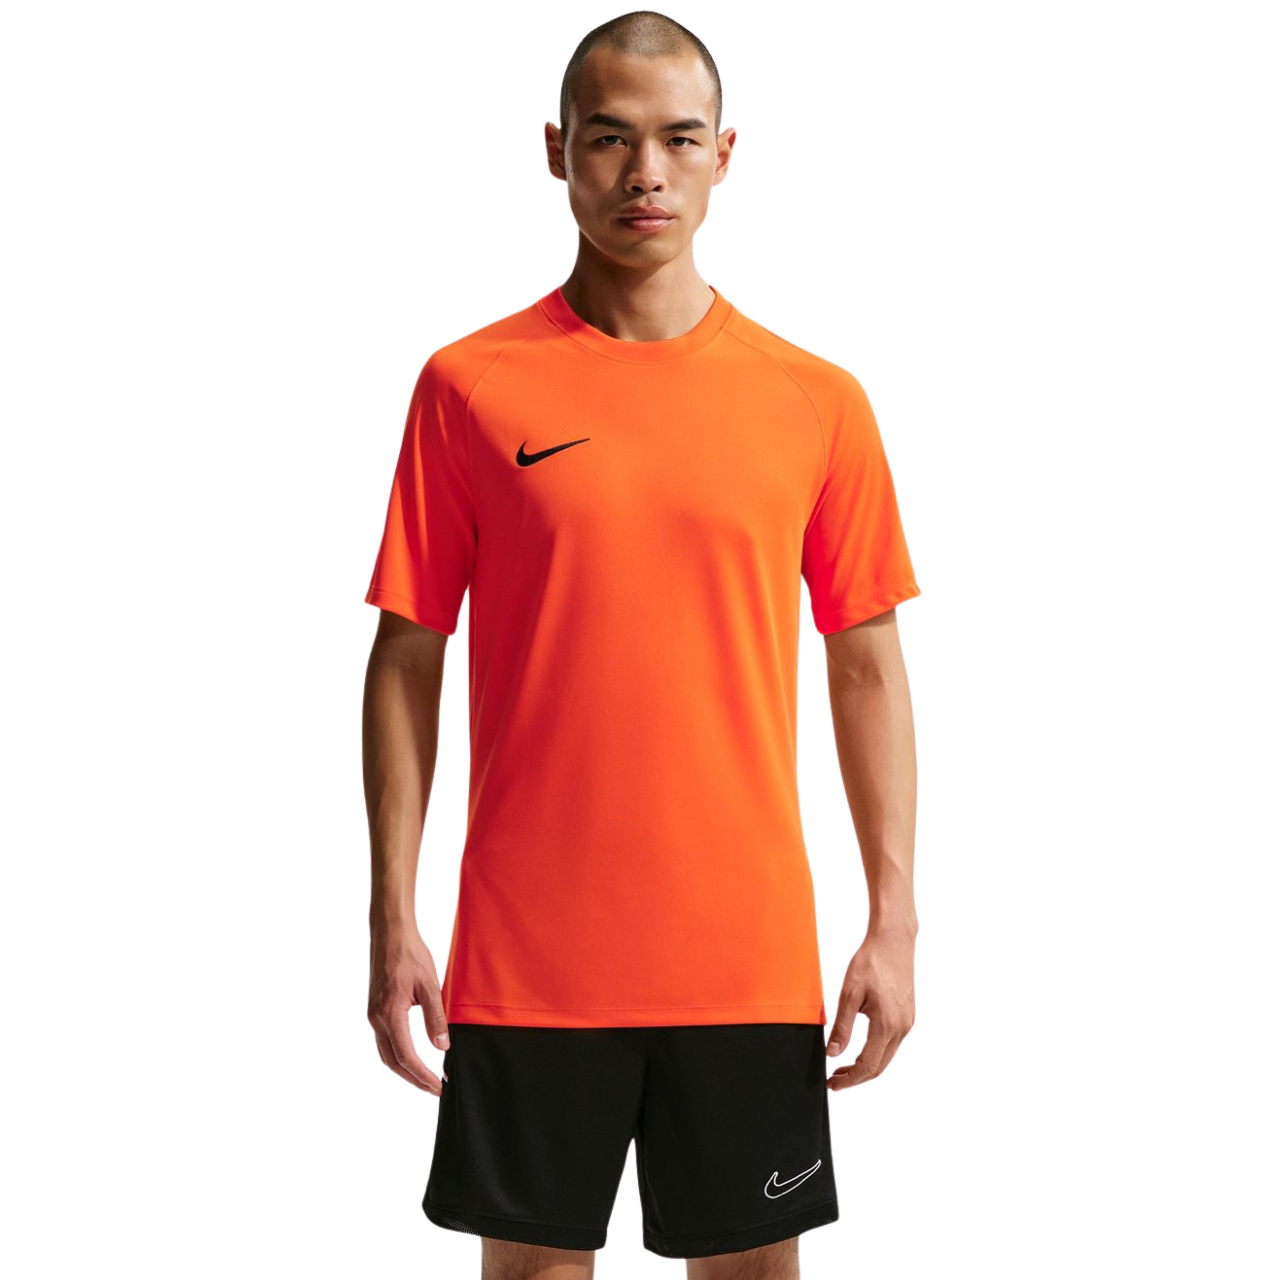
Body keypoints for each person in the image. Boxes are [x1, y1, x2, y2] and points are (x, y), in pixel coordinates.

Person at [361, 11, 921, 1278]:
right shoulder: (467, 386)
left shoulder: (815, 400)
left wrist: (892, 919)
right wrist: (392, 912)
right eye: (610, 139)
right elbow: (406, 652)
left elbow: (866, 662)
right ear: (555, 150)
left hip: (743, 954)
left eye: (676, 138)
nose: (644, 173)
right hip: (527, 953)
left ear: (725, 153)